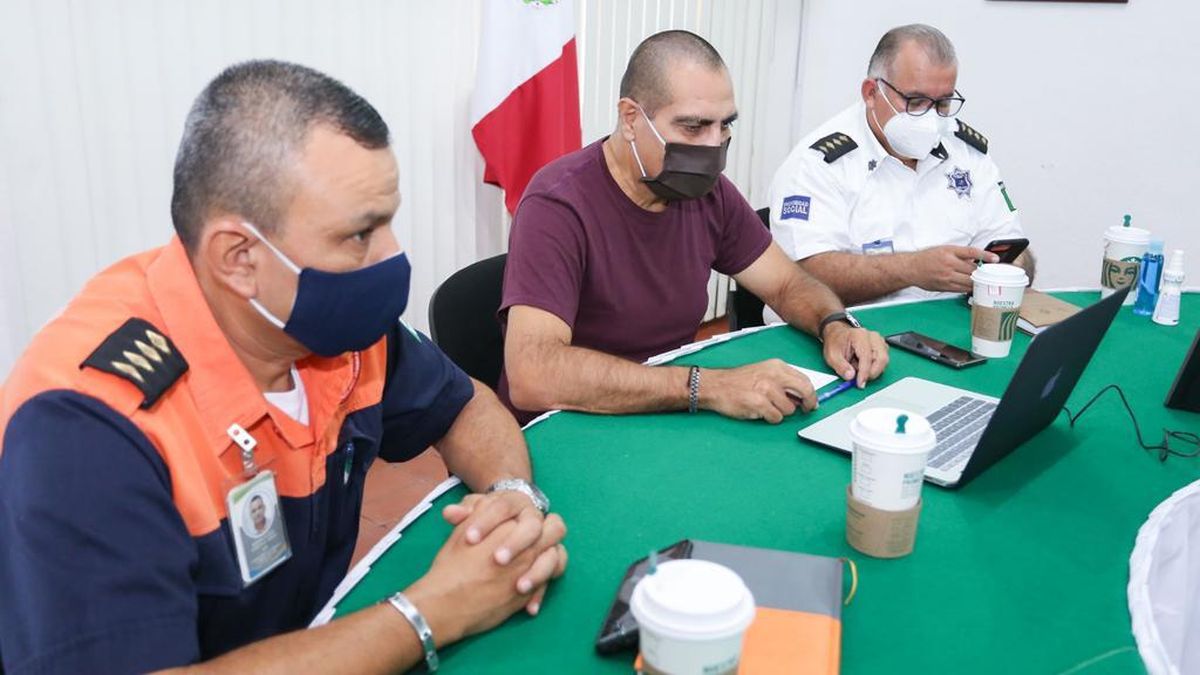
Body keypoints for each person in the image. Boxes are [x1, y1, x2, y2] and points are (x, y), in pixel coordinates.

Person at [0, 60, 566, 674]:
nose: (393, 256)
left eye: (388, 221)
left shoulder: (337, 331)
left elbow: (464, 407)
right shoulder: (85, 429)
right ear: (239, 258)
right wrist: (429, 613)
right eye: (360, 235)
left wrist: (510, 496)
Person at [500, 30, 889, 426]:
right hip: (568, 423)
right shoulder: (558, 204)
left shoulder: (708, 193)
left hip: (666, 412)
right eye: (693, 127)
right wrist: (710, 387)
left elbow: (786, 284)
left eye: (724, 125)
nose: (713, 145)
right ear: (631, 119)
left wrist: (835, 324)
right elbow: (534, 375)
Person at [767, 23, 1035, 312]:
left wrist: (1010, 268)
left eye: (943, 103)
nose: (931, 117)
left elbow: (1015, 249)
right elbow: (803, 279)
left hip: (948, 323)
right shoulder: (819, 163)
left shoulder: (966, 152)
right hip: (843, 326)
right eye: (916, 101)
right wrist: (911, 269)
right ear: (871, 93)